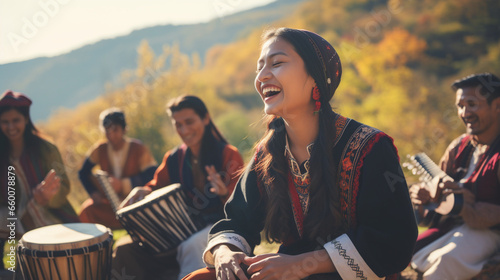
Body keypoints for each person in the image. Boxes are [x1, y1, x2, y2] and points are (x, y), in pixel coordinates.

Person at [184, 27, 417, 280]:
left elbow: (394, 240)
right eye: (259, 67)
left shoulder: (370, 146)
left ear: (315, 76)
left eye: (277, 63)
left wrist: (301, 264)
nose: (262, 76)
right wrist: (224, 253)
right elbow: (237, 219)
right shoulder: (268, 153)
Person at [112, 95, 245, 280]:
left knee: (191, 244)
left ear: (205, 118)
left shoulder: (228, 154)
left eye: (189, 122)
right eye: (178, 124)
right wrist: (144, 190)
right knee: (124, 248)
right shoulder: (174, 158)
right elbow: (156, 185)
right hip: (181, 229)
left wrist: (224, 193)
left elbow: (244, 205)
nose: (184, 129)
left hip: (218, 227)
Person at [410, 73, 500, 280]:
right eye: (460, 106)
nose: (464, 112)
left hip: (491, 233)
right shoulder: (458, 146)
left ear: (497, 105)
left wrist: (471, 208)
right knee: (398, 251)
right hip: (453, 229)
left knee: (445, 263)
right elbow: (437, 206)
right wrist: (426, 199)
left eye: (472, 104)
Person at [0, 90, 78, 273]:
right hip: (15, 222)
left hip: (50, 217)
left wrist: (47, 197)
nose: (10, 127)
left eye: (16, 120)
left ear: (26, 120)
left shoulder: (46, 149)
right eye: (5, 122)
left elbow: (64, 184)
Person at [78, 107, 157, 229]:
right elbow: (83, 172)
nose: (111, 135)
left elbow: (151, 175)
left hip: (135, 201)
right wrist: (93, 192)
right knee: (86, 212)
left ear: (124, 129)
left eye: (115, 130)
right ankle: (101, 246)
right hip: (109, 204)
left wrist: (123, 184)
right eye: (107, 131)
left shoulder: (138, 148)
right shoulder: (100, 149)